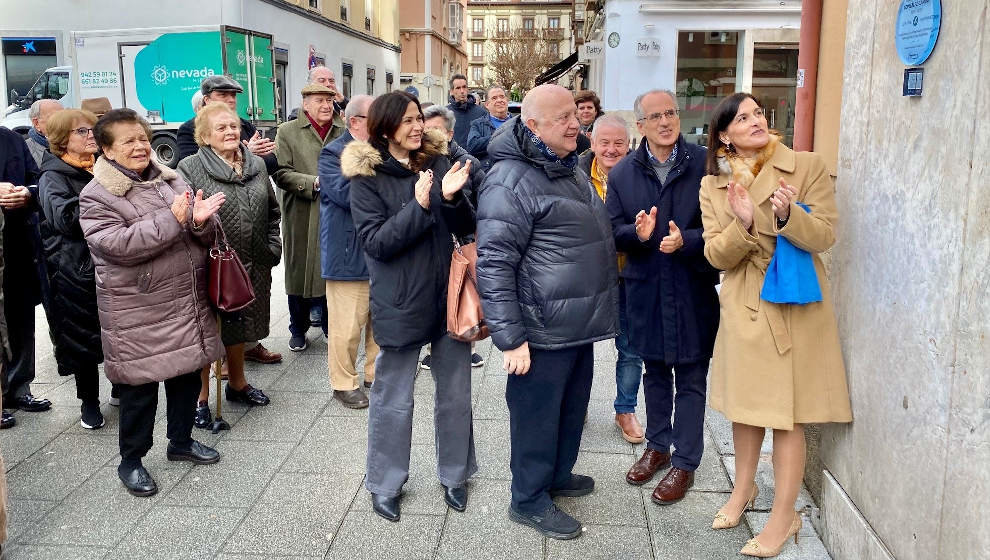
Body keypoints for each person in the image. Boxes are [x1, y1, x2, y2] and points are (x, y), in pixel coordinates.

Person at [699, 92, 852, 557]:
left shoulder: (804, 166)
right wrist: (743, 225)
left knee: (787, 416)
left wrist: (787, 216)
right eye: (742, 117)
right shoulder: (713, 185)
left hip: (793, 305)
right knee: (747, 410)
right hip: (746, 302)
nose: (755, 121)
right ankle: (743, 489)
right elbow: (714, 255)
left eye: (758, 113)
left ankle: (784, 517)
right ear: (724, 135)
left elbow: (826, 235)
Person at [476, 84, 619, 540]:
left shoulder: (567, 166)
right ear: (532, 125)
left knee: (570, 409)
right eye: (562, 118)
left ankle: (558, 474)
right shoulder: (509, 179)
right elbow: (494, 263)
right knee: (537, 416)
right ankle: (529, 498)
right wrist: (510, 337)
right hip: (539, 329)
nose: (575, 124)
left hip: (575, 323)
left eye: (575, 115)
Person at [79, 108, 228, 497]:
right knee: (139, 391)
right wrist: (175, 220)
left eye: (143, 138)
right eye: (128, 141)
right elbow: (117, 245)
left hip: (184, 299)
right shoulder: (96, 195)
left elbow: (199, 230)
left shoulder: (171, 178)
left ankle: (180, 441)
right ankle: (131, 461)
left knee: (184, 375)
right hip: (138, 309)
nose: (140, 146)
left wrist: (199, 220)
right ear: (107, 150)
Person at [344, 91, 476, 522]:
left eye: (419, 118)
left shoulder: (437, 163)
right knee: (393, 398)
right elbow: (377, 244)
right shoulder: (366, 179)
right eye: (406, 122)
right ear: (384, 130)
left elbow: (466, 228)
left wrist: (453, 199)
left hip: (449, 298)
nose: (417, 127)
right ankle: (385, 483)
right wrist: (419, 206)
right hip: (400, 300)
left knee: (455, 394)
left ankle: (455, 475)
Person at [605, 90, 719, 506]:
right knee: (654, 370)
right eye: (655, 116)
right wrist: (636, 235)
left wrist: (685, 241)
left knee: (691, 376)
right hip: (646, 288)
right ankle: (658, 446)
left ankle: (685, 462)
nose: (665, 121)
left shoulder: (705, 165)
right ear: (641, 126)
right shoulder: (622, 175)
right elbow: (611, 230)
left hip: (691, 288)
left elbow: (721, 230)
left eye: (670, 112)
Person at [177, 102, 281, 425]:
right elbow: (183, 221)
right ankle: (201, 398)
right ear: (204, 136)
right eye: (221, 128)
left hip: (253, 262)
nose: (230, 132)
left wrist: (272, 246)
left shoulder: (257, 166)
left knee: (241, 325)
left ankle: (238, 383)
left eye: (234, 126)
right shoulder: (190, 168)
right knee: (207, 332)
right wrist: (197, 224)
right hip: (211, 266)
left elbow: (273, 210)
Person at [576, 114, 644, 444]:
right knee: (578, 347)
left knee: (631, 347)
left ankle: (625, 409)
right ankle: (577, 406)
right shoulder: (574, 174)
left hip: (628, 274)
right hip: (586, 277)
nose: (612, 149)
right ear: (592, 142)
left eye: (619, 143)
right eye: (605, 142)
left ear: (629, 144)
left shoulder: (639, 177)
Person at [38, 109, 107, 429]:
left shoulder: (99, 167)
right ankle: (89, 403)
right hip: (72, 269)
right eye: (82, 132)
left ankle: (121, 386)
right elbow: (64, 218)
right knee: (81, 337)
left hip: (105, 263)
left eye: (92, 130)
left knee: (113, 330)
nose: (91, 135)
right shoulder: (53, 176)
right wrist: (104, 196)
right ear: (62, 140)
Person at [316, 94, 378, 410]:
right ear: (354, 122)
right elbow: (344, 194)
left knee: (377, 323)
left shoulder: (384, 150)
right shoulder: (332, 153)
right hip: (347, 253)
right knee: (347, 327)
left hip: (380, 252)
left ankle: (373, 376)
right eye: (375, 117)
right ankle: (343, 383)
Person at [273, 84, 344, 351]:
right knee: (298, 270)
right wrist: (314, 183)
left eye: (329, 100)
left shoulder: (342, 130)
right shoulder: (287, 131)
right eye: (319, 100)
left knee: (330, 270)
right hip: (301, 212)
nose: (326, 105)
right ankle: (297, 328)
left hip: (335, 211)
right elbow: (280, 172)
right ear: (306, 104)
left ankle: (329, 325)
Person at [421, 104, 487, 369]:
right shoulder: (419, 161)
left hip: (462, 240)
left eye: (435, 130)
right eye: (425, 131)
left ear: (449, 133)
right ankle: (431, 346)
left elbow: (484, 204)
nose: (429, 136)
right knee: (432, 296)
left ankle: (467, 339)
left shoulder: (469, 163)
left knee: (463, 292)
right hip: (430, 241)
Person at [0, 126, 52, 422]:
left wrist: (26, 194)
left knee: (20, 318)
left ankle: (19, 388)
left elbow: (38, 180)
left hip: (17, 245)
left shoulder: (9, 138)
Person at [177, 76, 278, 177]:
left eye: (233, 95)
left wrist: (254, 156)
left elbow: (272, 165)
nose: (231, 100)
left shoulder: (246, 126)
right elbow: (195, 171)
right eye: (223, 95)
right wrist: (247, 154)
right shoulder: (190, 129)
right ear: (207, 100)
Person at [465, 85, 511, 170]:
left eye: (502, 97)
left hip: (514, 174)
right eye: (494, 98)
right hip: (489, 174)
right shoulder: (478, 124)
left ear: (507, 100)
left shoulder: (519, 123)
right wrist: (499, 137)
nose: (499, 100)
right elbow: (472, 146)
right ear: (487, 104)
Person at [446, 74, 487, 147]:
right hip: (453, 156)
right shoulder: (445, 113)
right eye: (458, 88)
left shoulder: (481, 112)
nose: (462, 91)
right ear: (452, 91)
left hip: (476, 157)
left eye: (464, 87)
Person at [25, 99, 63, 167]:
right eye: (56, 118)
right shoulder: (26, 152)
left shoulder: (75, 143)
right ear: (37, 123)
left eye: (64, 117)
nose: (63, 123)